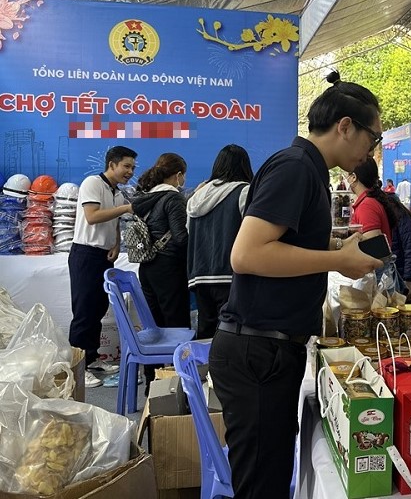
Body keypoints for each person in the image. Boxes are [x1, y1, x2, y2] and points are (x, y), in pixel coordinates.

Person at [209, 71, 383, 498]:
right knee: (261, 486)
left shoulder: (307, 168)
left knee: (268, 473)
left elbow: (282, 240)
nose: (371, 149)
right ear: (345, 125)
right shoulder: (296, 168)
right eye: (372, 136)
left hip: (266, 349)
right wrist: (337, 259)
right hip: (257, 353)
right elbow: (247, 255)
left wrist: (333, 242)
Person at [68, 146, 134, 388]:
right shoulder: (92, 183)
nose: (130, 171)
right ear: (112, 164)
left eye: (132, 167)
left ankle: (93, 357)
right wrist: (127, 208)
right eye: (126, 166)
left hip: (103, 256)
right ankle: (78, 369)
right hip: (85, 254)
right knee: (84, 312)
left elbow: (112, 221)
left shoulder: (116, 192)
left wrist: (116, 243)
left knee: (97, 308)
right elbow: (93, 216)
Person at [131, 153, 190, 390]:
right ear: (178, 175)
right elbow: (180, 237)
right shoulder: (173, 199)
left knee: (152, 325)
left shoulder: (143, 198)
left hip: (147, 267)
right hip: (169, 268)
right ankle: (177, 384)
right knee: (176, 326)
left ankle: (152, 382)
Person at [186, 144, 253, 339]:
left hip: (199, 275)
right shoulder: (244, 192)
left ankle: (203, 368)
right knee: (232, 333)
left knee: (206, 330)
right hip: (230, 274)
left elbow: (189, 231)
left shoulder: (196, 197)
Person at [349, 157, 397, 244]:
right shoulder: (369, 200)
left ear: (353, 177)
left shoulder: (367, 205)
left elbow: (373, 246)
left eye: (348, 176)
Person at [387, 191, 411, 303]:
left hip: (403, 277)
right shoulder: (391, 217)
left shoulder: (403, 217)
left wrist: (408, 280)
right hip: (393, 276)